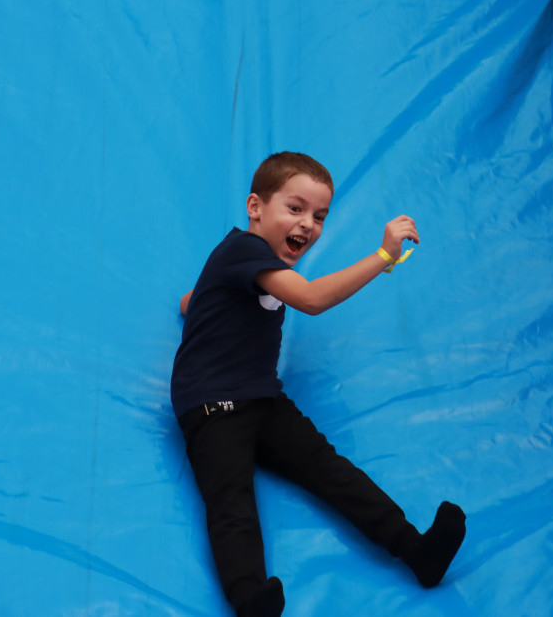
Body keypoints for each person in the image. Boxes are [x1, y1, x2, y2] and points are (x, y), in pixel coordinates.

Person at [171, 152, 466, 617]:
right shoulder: (245, 251)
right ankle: (251, 600)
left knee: (330, 470)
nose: (308, 224)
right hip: (213, 404)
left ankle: (418, 551)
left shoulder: (252, 262)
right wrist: (386, 254)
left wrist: (195, 301)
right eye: (295, 208)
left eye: (320, 216)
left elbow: (196, 298)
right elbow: (310, 300)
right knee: (232, 501)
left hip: (261, 396)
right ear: (255, 208)